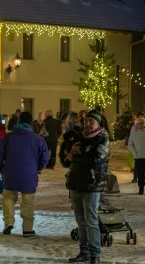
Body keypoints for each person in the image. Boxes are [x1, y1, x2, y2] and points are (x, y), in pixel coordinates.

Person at [61, 110, 109, 264]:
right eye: (85, 120)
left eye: (91, 121)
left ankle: (95, 254)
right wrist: (71, 153)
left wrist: (74, 154)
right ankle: (84, 252)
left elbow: (94, 160)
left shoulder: (103, 139)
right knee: (80, 221)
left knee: (91, 220)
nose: (87, 124)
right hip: (75, 184)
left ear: (98, 123)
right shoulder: (79, 137)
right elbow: (65, 161)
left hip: (92, 185)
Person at [0, 111, 49, 237]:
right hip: (29, 174)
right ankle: (27, 229)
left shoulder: (7, 138)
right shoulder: (38, 139)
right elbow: (45, 158)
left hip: (10, 173)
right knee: (28, 201)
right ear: (30, 122)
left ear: (18, 122)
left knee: (8, 197)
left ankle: (8, 221)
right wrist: (37, 168)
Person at [128, 117, 145, 195]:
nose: (142, 125)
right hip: (138, 157)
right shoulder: (133, 132)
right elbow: (130, 144)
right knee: (140, 173)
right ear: (136, 124)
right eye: (140, 123)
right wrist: (135, 153)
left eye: (143, 123)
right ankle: (141, 187)